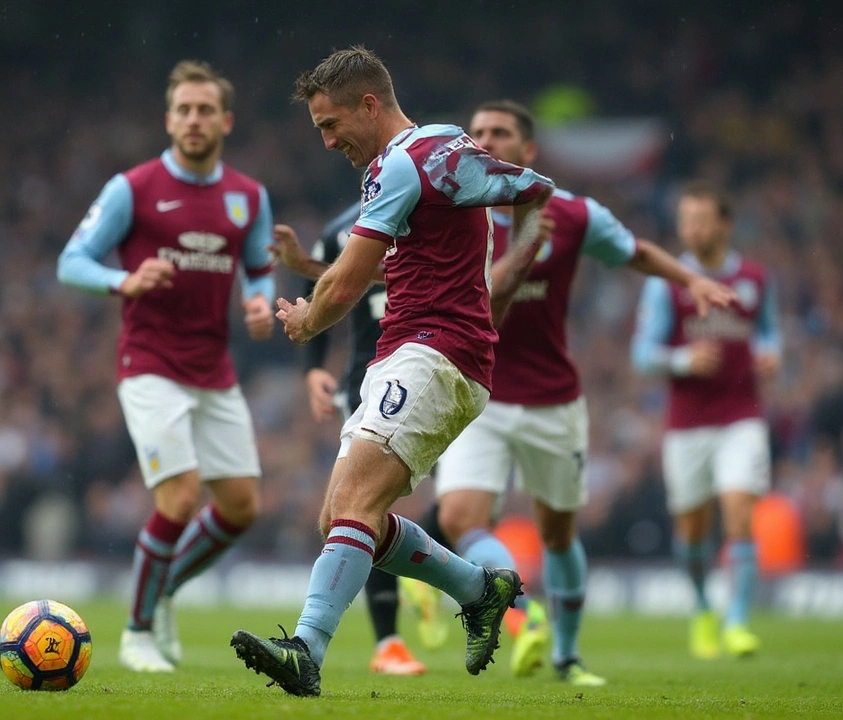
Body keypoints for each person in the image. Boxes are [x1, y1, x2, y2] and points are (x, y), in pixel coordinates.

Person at [229, 46, 555, 697]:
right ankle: (477, 589)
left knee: (353, 505)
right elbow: (525, 190)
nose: (326, 141)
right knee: (344, 519)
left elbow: (350, 281)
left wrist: (307, 323)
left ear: (369, 104)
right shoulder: (424, 156)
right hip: (417, 350)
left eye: (331, 124)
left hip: (435, 353)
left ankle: (308, 649)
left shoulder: (406, 162)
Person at [432, 101, 739, 686]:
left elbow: (634, 252)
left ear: (529, 152)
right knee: (458, 515)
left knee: (558, 533)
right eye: (477, 132)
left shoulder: (573, 214)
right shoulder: (452, 216)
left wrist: (691, 278)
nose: (485, 140)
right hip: (480, 394)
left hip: (553, 399)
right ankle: (522, 612)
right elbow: (484, 305)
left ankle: (568, 657)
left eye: (500, 133)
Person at [56, 60, 276, 673]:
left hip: (215, 366)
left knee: (241, 508)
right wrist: (125, 279)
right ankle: (137, 631)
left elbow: (258, 267)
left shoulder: (248, 198)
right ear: (169, 119)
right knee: (178, 496)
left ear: (225, 120)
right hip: (149, 362)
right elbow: (72, 261)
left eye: (205, 109)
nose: (194, 119)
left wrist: (259, 300)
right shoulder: (134, 187)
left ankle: (165, 588)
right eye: (184, 109)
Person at [630, 180, 782, 659]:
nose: (691, 229)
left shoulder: (755, 279)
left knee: (739, 513)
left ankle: (736, 621)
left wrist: (770, 353)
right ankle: (701, 607)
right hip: (688, 424)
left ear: (725, 224)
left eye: (700, 220)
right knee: (693, 531)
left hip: (742, 416)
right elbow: (641, 354)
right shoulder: (666, 282)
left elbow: (770, 331)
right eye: (685, 220)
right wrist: (682, 361)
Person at [280, 201, 430, 676]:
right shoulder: (341, 229)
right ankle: (389, 641)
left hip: (432, 367)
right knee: (348, 514)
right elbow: (320, 290)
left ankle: (452, 577)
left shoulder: (437, 210)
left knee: (450, 508)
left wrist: (307, 265)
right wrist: (313, 370)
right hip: (368, 380)